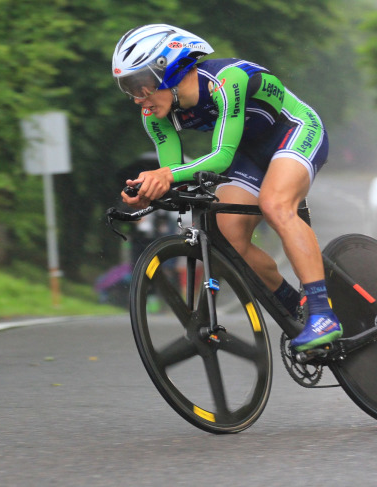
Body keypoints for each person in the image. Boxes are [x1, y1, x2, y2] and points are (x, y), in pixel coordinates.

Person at [111, 24, 341, 352]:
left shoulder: (228, 80)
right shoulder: (155, 115)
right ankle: (295, 309)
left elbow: (220, 157)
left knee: (276, 204)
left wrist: (165, 177)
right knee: (227, 234)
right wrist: (148, 192)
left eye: (140, 85)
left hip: (295, 130)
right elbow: (173, 172)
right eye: (128, 89)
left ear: (169, 68)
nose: (137, 99)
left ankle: (322, 312)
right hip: (251, 153)